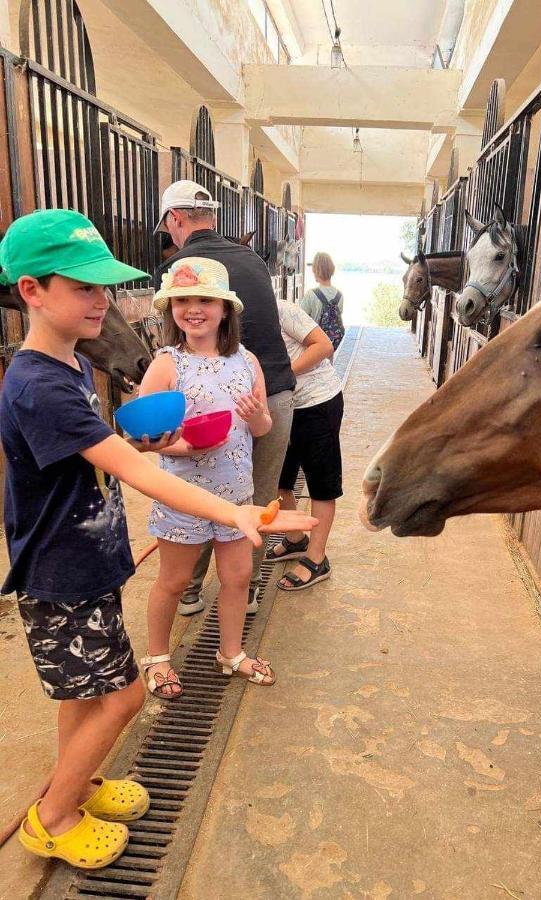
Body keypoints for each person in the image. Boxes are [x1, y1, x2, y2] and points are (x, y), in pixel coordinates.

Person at [0, 210, 315, 868]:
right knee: (123, 694)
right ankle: (53, 816)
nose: (100, 302)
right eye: (83, 287)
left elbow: (112, 453)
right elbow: (140, 469)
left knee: (82, 692)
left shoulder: (75, 369)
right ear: (32, 290)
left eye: (104, 288)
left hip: (86, 561)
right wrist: (240, 516)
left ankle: (76, 781)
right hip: (60, 575)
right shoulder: (39, 385)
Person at [153, 180, 296, 615]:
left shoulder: (182, 267)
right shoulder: (252, 258)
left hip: (218, 394)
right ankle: (244, 589)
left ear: (175, 220)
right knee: (257, 493)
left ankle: (190, 588)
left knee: (191, 485)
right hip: (271, 390)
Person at [139, 257, 276, 698]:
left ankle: (230, 653)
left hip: (236, 494)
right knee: (174, 581)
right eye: (183, 301)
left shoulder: (246, 361)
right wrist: (187, 447)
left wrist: (256, 418)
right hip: (182, 495)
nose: (193, 310)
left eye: (204, 300)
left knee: (237, 577)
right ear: (171, 309)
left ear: (224, 309)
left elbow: (263, 428)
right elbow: (143, 438)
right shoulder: (166, 364)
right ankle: (157, 657)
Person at [267, 300, 344, 591]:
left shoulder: (281, 309)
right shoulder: (231, 316)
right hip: (282, 407)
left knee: (320, 483)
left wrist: (283, 375)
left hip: (317, 401)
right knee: (279, 478)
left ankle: (317, 558)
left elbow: (323, 346)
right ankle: (298, 538)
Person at [301, 252, 345, 351]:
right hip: (330, 346)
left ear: (316, 271)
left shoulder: (311, 295)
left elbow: (300, 321)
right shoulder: (339, 295)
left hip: (313, 346)